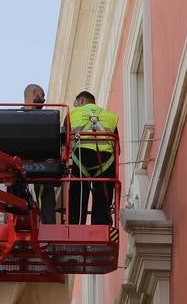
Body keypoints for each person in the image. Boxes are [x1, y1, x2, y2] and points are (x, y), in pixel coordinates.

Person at [9, 84, 58, 224]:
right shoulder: (15, 118)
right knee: (13, 191)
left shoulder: (47, 119)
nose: (44, 99)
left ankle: (48, 225)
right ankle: (13, 221)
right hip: (18, 167)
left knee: (46, 188)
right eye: (42, 95)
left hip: (40, 166)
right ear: (33, 93)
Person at [69, 90, 119, 225]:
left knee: (78, 193)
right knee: (103, 194)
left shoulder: (72, 114)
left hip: (81, 156)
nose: (76, 106)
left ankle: (76, 225)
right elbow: (117, 148)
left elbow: (64, 142)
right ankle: (102, 226)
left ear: (81, 101)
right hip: (105, 160)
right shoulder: (110, 116)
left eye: (76, 104)